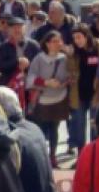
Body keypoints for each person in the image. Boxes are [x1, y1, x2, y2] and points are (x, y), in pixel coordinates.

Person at [25, 31, 70, 164]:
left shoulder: (65, 58)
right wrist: (45, 82)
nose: (58, 44)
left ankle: (52, 156)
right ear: (47, 44)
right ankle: (41, 155)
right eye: (54, 41)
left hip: (60, 97)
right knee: (40, 128)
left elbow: (71, 75)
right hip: (43, 99)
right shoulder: (39, 58)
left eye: (59, 41)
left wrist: (63, 83)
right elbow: (31, 77)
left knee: (54, 128)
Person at [66, 24, 99, 157]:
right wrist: (70, 56)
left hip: (96, 94)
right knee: (79, 127)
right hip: (79, 94)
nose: (77, 41)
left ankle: (94, 155)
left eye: (79, 37)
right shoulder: (74, 52)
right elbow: (70, 71)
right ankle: (81, 155)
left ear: (87, 36)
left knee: (95, 126)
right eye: (74, 38)